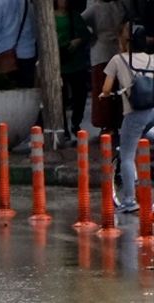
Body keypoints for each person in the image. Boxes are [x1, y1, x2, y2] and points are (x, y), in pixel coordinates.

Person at [100, 21, 154, 212]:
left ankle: (129, 201)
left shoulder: (118, 60)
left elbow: (106, 88)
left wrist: (106, 94)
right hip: (153, 114)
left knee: (127, 155)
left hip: (134, 115)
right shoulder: (152, 59)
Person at [85, 0, 130, 138]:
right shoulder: (95, 6)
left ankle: (113, 123)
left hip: (112, 49)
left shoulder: (119, 5)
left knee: (114, 89)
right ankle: (108, 124)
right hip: (104, 51)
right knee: (106, 89)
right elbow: (81, 22)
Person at [0, 0, 38, 88]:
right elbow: (34, 25)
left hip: (5, 54)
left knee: (7, 92)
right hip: (28, 52)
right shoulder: (27, 2)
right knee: (27, 91)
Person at [57, 0, 92, 136]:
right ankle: (63, 127)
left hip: (76, 62)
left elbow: (86, 35)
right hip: (59, 63)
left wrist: (78, 41)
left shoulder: (74, 16)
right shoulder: (51, 17)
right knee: (61, 98)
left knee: (80, 95)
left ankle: (75, 123)